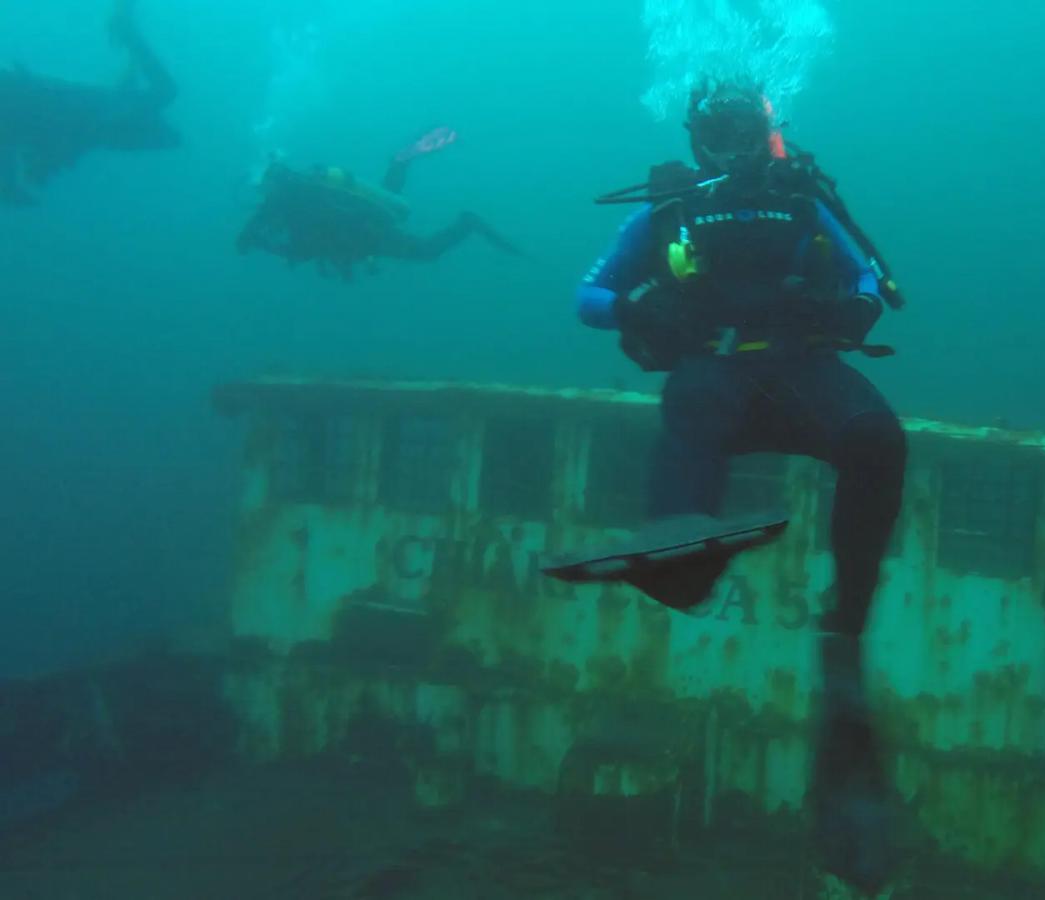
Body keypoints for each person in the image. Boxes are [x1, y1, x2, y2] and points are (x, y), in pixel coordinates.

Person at [556, 79, 907, 892]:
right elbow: (588, 296)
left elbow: (870, 281)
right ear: (695, 137)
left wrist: (852, 313)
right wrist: (640, 315)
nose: (729, 147)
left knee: (877, 439)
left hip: (804, 371)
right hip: (714, 371)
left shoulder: (803, 200)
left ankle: (844, 623)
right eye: (714, 133)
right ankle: (680, 561)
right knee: (695, 415)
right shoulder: (667, 210)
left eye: (742, 129)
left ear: (765, 131)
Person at [235, 127, 522, 280]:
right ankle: (399, 162)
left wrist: (258, 242)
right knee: (388, 201)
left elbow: (303, 247)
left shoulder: (287, 205)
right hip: (363, 221)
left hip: (365, 234)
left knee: (425, 251)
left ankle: (466, 222)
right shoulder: (297, 194)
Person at [0, 0, 179, 206]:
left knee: (162, 95)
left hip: (40, 100)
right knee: (163, 94)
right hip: (43, 100)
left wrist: (15, 182)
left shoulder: (84, 136)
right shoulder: (93, 132)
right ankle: (127, 32)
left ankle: (127, 32)